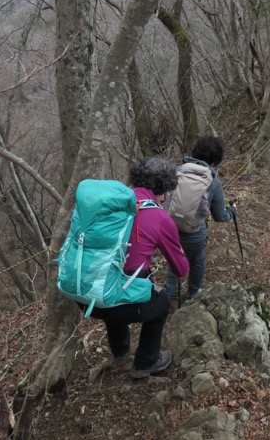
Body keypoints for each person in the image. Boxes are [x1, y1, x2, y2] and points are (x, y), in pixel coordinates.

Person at [88, 157, 188, 380]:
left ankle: (121, 353)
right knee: (160, 303)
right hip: (115, 301)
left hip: (88, 294)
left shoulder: (112, 203)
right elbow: (181, 270)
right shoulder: (159, 216)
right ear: (162, 191)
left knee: (114, 282)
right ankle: (146, 361)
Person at [165, 136, 236, 301]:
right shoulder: (214, 182)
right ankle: (193, 293)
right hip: (195, 233)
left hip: (170, 229)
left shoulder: (176, 171)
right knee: (197, 260)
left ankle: (170, 290)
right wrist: (232, 211)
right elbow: (220, 216)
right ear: (214, 163)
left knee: (173, 257)